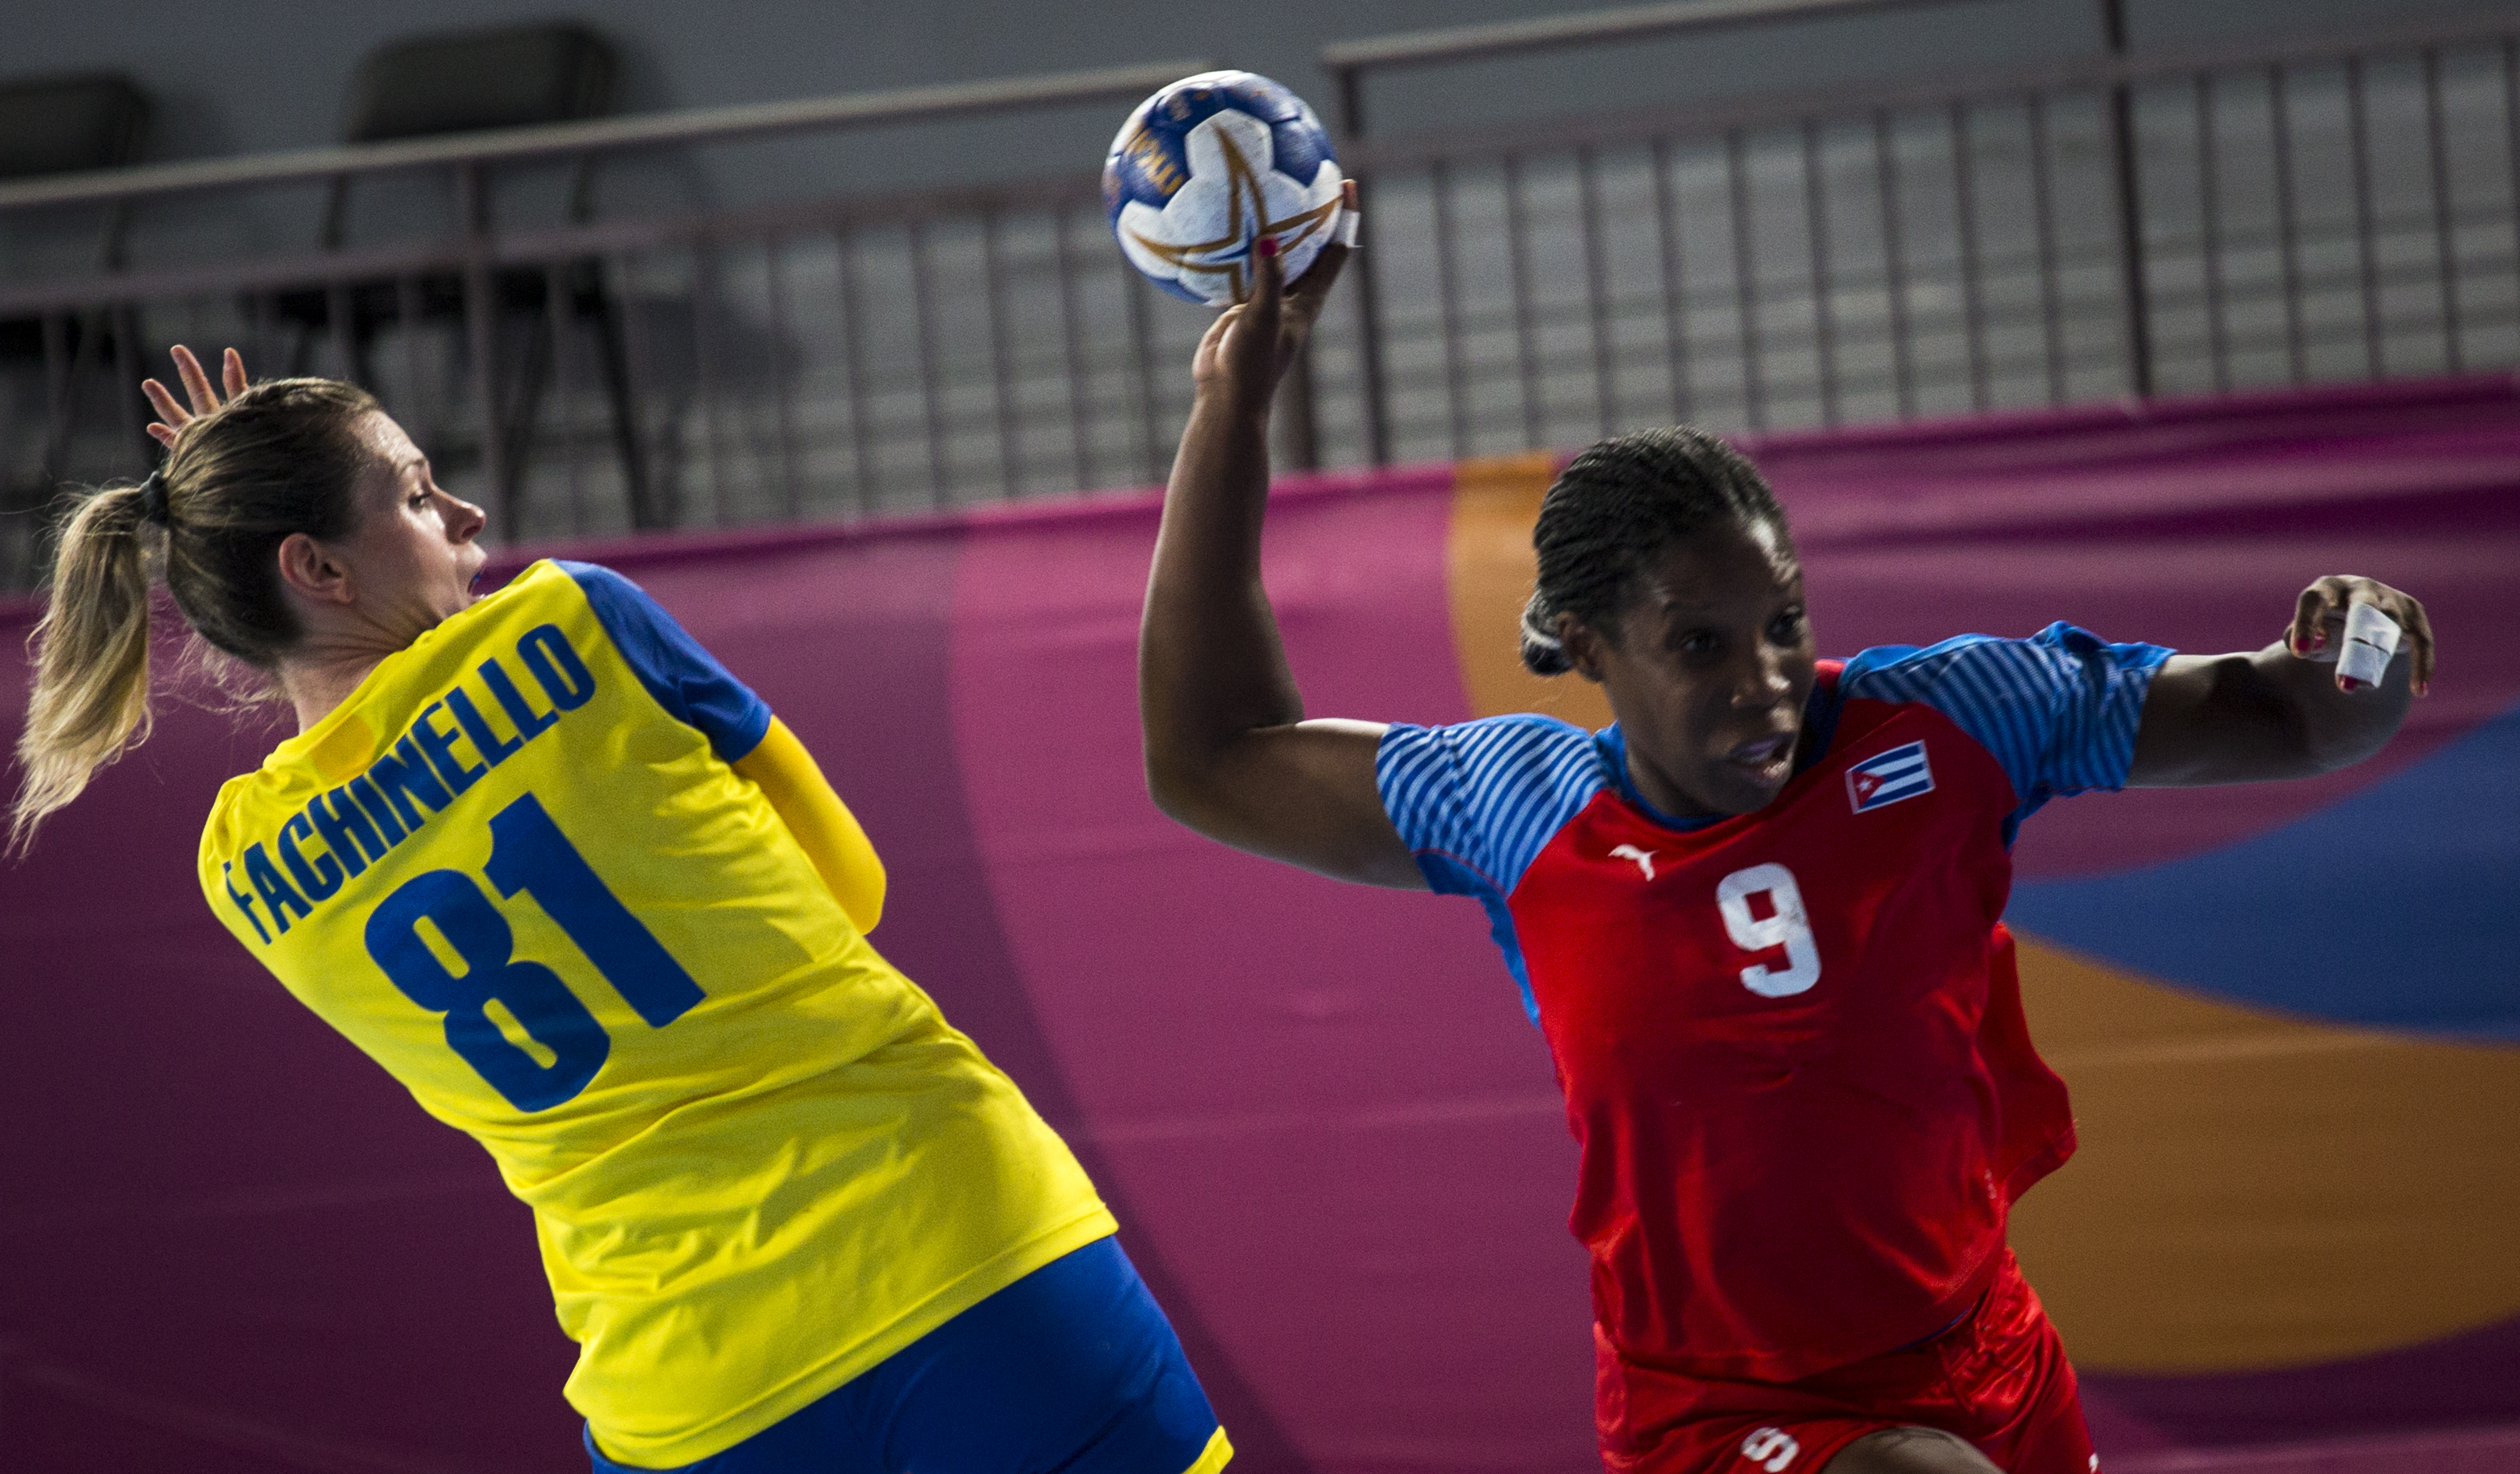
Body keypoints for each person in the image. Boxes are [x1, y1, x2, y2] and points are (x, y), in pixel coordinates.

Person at [1137, 233, 2433, 1474]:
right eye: (1701, 643)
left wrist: (2363, 654)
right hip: (1721, 1410)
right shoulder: (1518, 808)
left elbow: (2290, 711)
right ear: (1588, 645)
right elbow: (1213, 752)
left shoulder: (1952, 719)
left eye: (1783, 623)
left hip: (1983, 1354)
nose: (1763, 680)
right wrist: (1234, 406)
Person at [11, 347, 1234, 1474]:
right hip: (962, 1245)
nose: (466, 516)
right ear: (316, 567)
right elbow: (849, 889)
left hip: (686, 1383)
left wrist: (231, 503)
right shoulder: (573, 618)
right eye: (418, 492)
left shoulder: (247, 869)